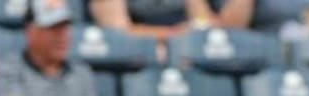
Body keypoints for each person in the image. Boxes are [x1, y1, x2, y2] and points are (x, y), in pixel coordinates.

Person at [0, 0, 108, 96]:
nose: (61, 36)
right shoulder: (8, 68)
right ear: (30, 32)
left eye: (65, 27)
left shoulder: (81, 73)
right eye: (53, 28)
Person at [88, 0, 256, 41]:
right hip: (137, 56)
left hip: (186, 51)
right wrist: (174, 35)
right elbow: (117, 32)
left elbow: (204, 24)